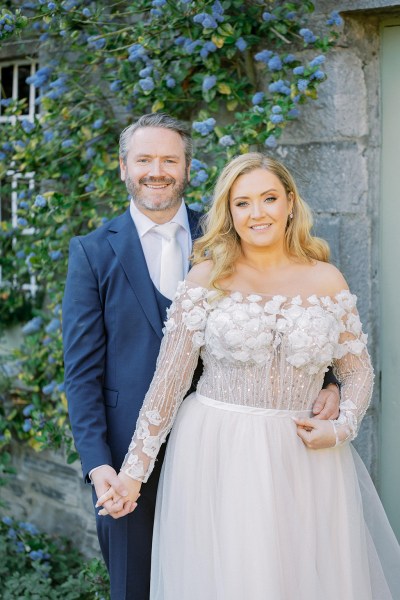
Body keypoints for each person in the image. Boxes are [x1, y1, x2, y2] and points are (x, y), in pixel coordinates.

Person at [97, 152, 400, 600]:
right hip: (220, 452)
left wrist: (340, 427)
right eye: (243, 203)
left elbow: (357, 372)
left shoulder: (327, 279)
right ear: (229, 213)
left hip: (306, 458)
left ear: (290, 203)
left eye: (269, 198)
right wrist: (132, 475)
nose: (257, 213)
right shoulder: (206, 279)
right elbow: (167, 386)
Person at [63, 116, 339, 600]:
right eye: (144, 159)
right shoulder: (92, 253)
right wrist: (97, 463)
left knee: (237, 576)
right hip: (129, 451)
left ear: (188, 168)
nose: (157, 170)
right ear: (123, 167)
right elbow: (82, 371)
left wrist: (332, 381)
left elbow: (291, 308)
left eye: (170, 159)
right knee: (134, 586)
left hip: (228, 449)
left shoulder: (231, 232)